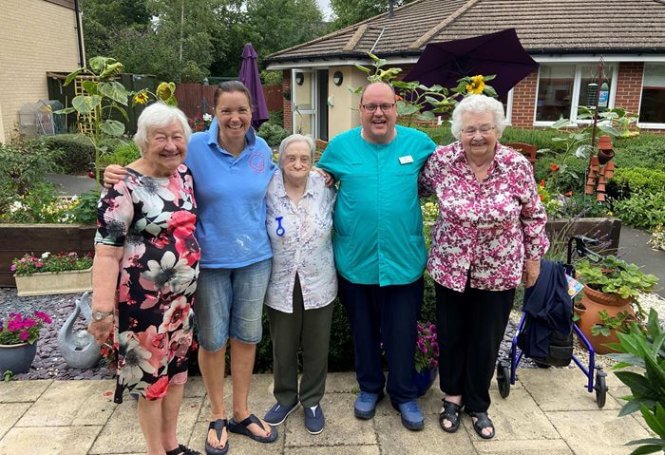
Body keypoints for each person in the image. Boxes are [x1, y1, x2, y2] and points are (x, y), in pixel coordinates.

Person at [104, 81, 277, 455]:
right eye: (227, 110)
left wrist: (321, 175)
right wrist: (115, 173)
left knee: (247, 337)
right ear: (214, 112)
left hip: (255, 259)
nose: (235, 118)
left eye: (242, 110)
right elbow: (150, 167)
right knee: (213, 341)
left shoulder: (261, 148)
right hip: (209, 262)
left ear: (252, 112)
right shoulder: (193, 146)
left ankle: (242, 412)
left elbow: (283, 181)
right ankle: (217, 415)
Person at [419, 94, 549, 440]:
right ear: (458, 132)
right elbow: (411, 188)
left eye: (485, 129)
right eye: (469, 129)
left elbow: (533, 214)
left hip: (500, 267)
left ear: (498, 130)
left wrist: (533, 257)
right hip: (451, 266)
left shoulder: (516, 165)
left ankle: (478, 402)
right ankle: (452, 396)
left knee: (486, 337)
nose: (477, 136)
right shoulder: (441, 161)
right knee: (452, 333)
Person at [316, 81, 436, 431]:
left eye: (385, 106)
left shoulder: (420, 144)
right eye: (371, 107)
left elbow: (450, 172)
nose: (378, 113)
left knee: (402, 331)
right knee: (364, 330)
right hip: (357, 259)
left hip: (403, 259)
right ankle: (369, 388)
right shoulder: (340, 147)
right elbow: (319, 183)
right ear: (361, 111)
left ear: (396, 108)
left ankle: (404, 394)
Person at [88, 102, 201, 455]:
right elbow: (106, 251)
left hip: (181, 304)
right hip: (144, 307)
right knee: (151, 382)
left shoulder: (183, 174)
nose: (170, 145)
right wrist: (102, 311)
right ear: (142, 141)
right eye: (160, 137)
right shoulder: (123, 185)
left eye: (177, 136)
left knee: (177, 374)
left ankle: (171, 445)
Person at [261, 134, 337, 435]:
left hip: (319, 280)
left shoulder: (325, 187)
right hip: (280, 281)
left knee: (317, 346)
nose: (298, 163)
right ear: (280, 160)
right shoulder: (267, 189)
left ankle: (312, 400)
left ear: (312, 161)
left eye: (304, 158)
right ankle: (285, 397)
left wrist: (329, 174)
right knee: (283, 346)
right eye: (291, 157)